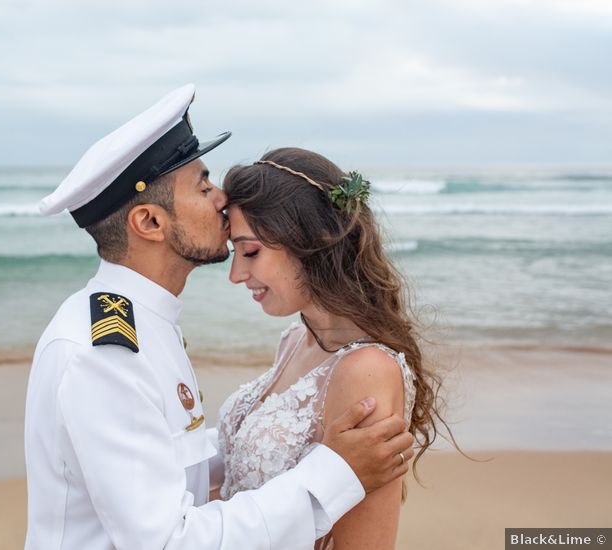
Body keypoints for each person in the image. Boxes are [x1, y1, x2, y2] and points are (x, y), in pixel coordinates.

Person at [24, 85, 415, 550]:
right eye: (203, 185)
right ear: (150, 222)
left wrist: (256, 446)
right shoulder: (104, 354)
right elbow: (169, 541)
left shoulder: (142, 323)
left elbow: (165, 459)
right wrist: (333, 473)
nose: (220, 197)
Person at [217, 147, 450, 549]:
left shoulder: (366, 372)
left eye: (250, 251)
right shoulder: (295, 340)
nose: (237, 275)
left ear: (308, 241)